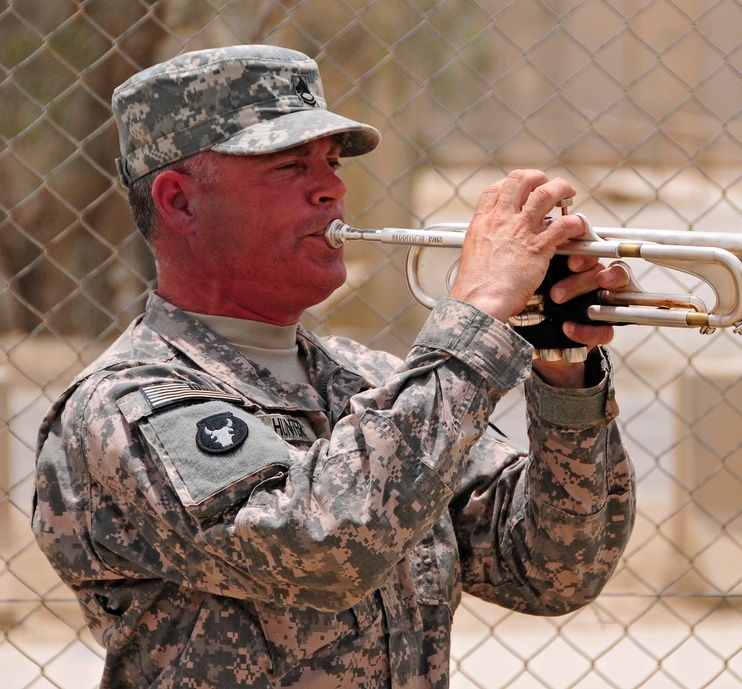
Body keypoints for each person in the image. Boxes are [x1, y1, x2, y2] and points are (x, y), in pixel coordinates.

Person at [32, 44, 635, 688]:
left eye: (332, 162)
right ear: (180, 203)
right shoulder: (126, 402)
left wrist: (564, 367)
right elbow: (321, 546)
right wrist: (479, 312)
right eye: (289, 166)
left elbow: (549, 568)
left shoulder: (372, 380)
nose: (332, 189)